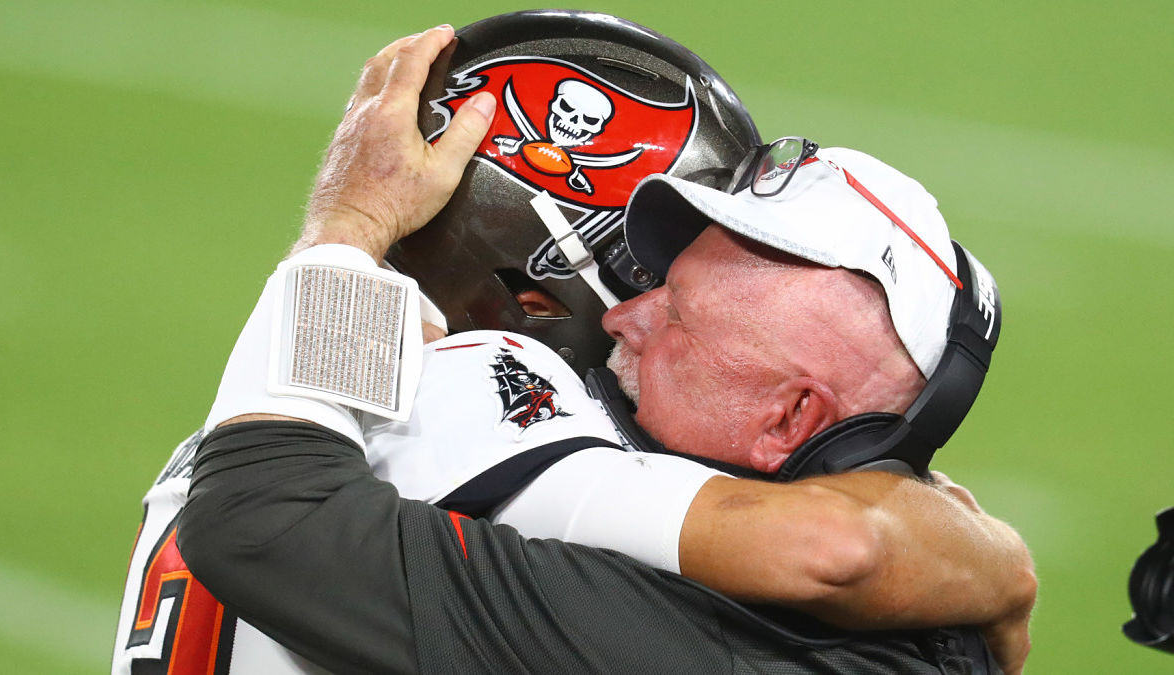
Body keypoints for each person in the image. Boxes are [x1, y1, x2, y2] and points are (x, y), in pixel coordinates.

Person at [171, 24, 1034, 674]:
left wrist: (350, 227)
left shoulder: (336, 383)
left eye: (678, 313)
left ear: (792, 416)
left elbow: (262, 513)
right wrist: (996, 568)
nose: (626, 314)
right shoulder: (901, 615)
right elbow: (856, 542)